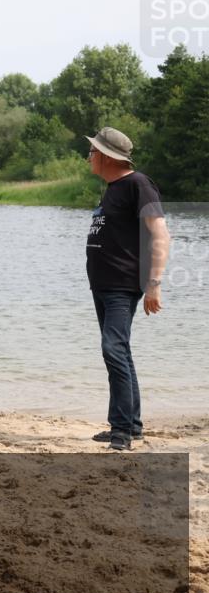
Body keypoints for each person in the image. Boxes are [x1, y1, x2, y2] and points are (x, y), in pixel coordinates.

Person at [85, 127, 170, 451]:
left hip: (122, 285)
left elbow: (161, 235)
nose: (88, 157)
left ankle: (121, 433)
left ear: (106, 156)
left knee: (113, 349)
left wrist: (154, 284)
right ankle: (130, 425)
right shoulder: (113, 188)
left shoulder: (138, 184)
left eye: (92, 152)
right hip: (104, 285)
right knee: (120, 351)